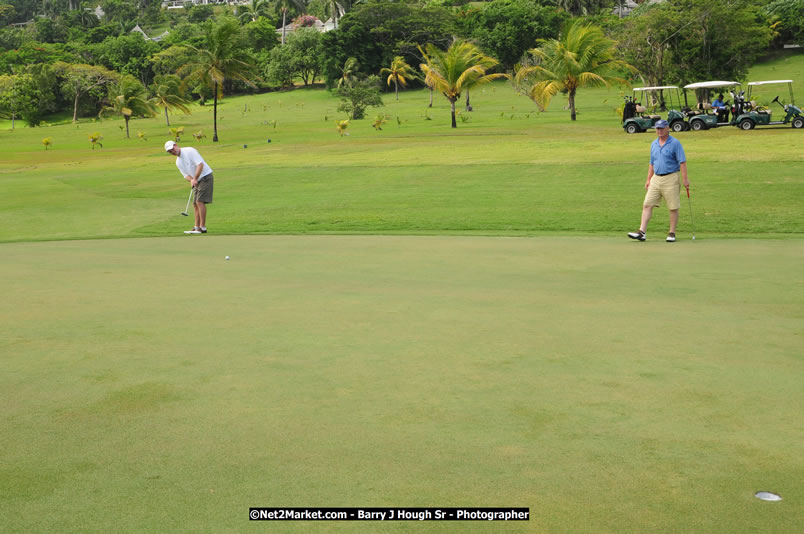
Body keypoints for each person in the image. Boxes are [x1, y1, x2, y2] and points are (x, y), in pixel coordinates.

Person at [627, 119, 690, 242]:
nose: (659, 131)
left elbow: (682, 162)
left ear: (668, 128)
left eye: (662, 128)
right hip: (656, 178)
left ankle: (672, 233)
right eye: (657, 128)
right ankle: (642, 232)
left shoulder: (675, 143)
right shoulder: (654, 144)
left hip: (671, 177)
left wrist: (685, 179)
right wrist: (648, 179)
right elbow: (652, 163)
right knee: (647, 204)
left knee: (673, 207)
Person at [165, 140, 214, 234]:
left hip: (205, 176)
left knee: (199, 201)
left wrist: (195, 178)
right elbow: (185, 175)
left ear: (176, 145)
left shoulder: (189, 151)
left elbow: (200, 165)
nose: (172, 152)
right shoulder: (178, 162)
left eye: (172, 149)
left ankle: (202, 227)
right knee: (195, 204)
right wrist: (191, 180)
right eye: (170, 151)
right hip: (196, 180)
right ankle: (196, 227)